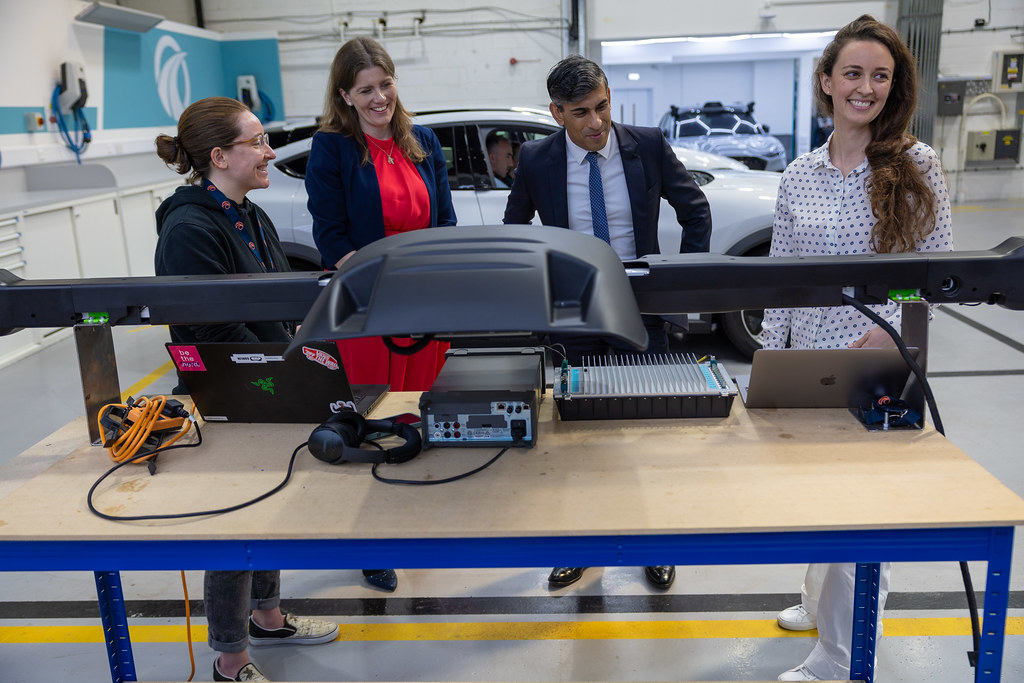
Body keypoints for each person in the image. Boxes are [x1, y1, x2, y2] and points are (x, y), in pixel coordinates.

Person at [760, 15, 953, 681]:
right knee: (817, 497)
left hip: (882, 366)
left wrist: (895, 328)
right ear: (826, 81)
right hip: (811, 368)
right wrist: (768, 364)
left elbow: (932, 272)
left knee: (862, 514)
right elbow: (779, 279)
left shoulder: (915, 164)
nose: (865, 87)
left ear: (893, 87)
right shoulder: (800, 173)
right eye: (853, 73)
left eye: (880, 75)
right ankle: (819, 603)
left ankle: (838, 657)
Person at [153, 96, 364, 682]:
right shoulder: (190, 225)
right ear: (220, 156)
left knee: (270, 504)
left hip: (267, 381)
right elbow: (216, 326)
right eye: (257, 142)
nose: (270, 151)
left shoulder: (249, 212)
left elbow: (274, 301)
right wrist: (285, 371)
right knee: (235, 520)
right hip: (232, 391)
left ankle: (267, 616)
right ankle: (229, 657)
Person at [503, 55, 712, 591]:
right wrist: (541, 292)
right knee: (578, 441)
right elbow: (515, 230)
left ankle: (654, 544)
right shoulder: (536, 159)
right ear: (556, 113)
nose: (596, 122)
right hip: (573, 314)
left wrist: (675, 286)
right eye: (581, 113)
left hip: (640, 311)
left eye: (602, 106)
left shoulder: (647, 144)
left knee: (647, 437)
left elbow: (696, 213)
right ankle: (580, 545)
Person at [305, 36, 456, 392]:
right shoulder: (332, 147)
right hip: (365, 298)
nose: (380, 98)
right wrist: (379, 283)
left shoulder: (424, 140)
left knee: (423, 400)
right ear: (345, 96)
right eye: (365, 90)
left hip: (423, 293)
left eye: (386, 84)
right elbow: (330, 235)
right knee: (373, 404)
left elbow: (446, 222)